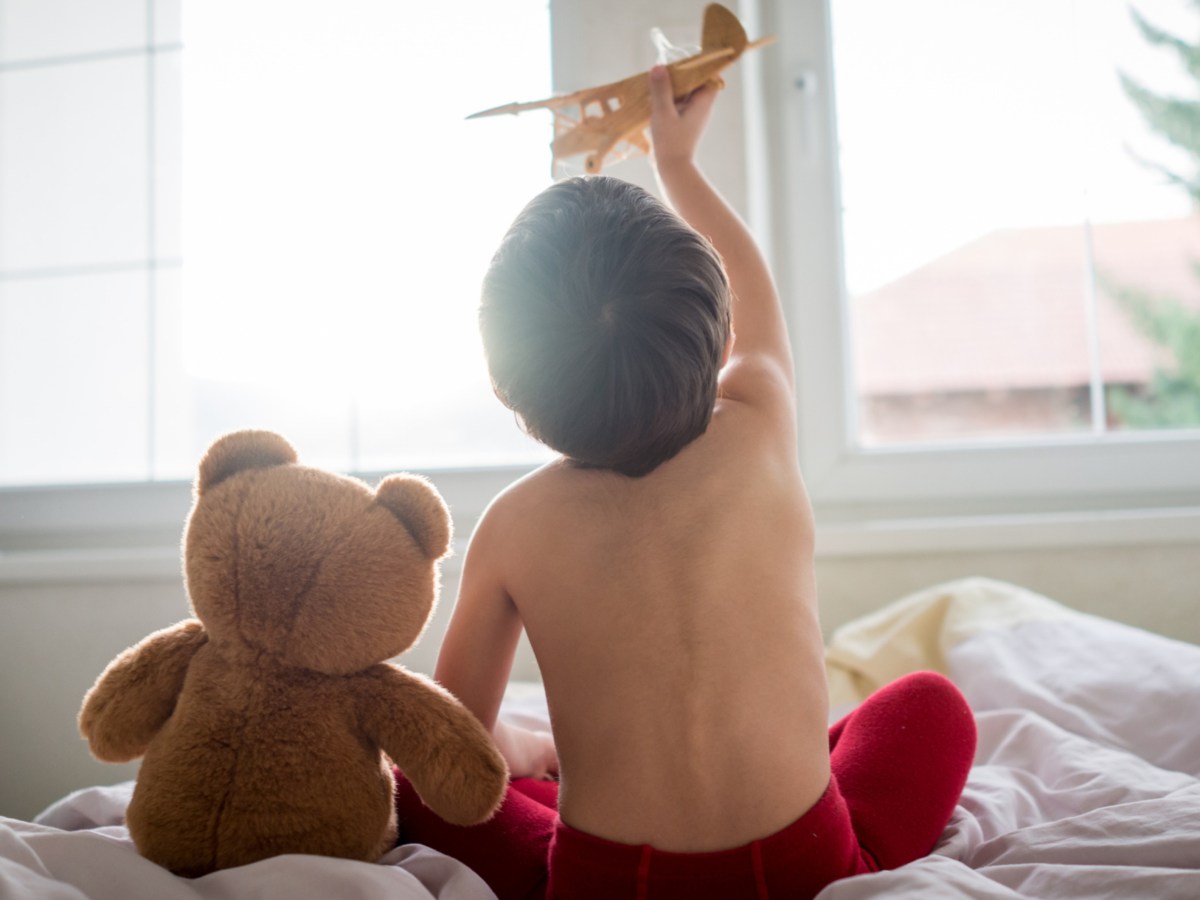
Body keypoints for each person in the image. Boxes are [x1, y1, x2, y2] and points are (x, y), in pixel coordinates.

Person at [395, 65, 976, 900]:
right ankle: (861, 855)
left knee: (420, 781)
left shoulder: (515, 526)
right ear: (714, 319)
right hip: (800, 865)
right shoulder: (760, 421)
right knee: (931, 705)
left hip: (611, 885)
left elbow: (447, 744)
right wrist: (679, 164)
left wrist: (523, 751)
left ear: (509, 388)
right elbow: (761, 301)